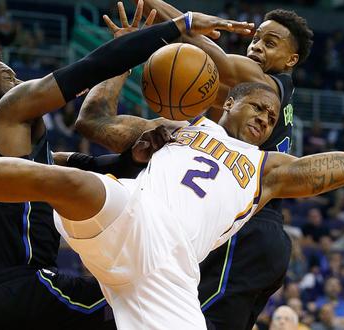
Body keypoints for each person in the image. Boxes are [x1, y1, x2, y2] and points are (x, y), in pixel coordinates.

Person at [0, 50, 344, 329]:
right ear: (225, 100)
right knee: (65, 181)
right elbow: (92, 120)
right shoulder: (179, 129)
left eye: (273, 113)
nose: (265, 116)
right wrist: (126, 58)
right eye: (257, 103)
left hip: (169, 277)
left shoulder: (269, 171)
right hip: (131, 220)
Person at [0, 3, 247, 329]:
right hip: (21, 290)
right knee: (142, 294)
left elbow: (80, 169)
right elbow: (87, 69)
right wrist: (177, 27)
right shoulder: (7, 113)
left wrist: (131, 159)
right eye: (8, 76)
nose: (20, 80)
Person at [76, 2, 312, 328]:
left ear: (290, 61)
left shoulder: (272, 86)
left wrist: (171, 21)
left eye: (270, 43)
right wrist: (124, 57)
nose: (257, 46)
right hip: (219, 231)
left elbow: (223, 66)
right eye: (256, 38)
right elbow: (94, 123)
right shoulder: (194, 127)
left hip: (248, 226)